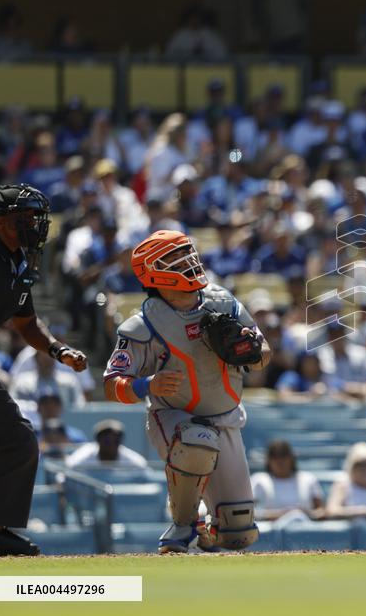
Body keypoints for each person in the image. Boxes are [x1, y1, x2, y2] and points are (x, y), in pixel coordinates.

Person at [101, 230, 272, 553]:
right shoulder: (143, 325)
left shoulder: (223, 302)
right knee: (197, 441)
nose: (188, 262)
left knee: (238, 532)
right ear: (152, 271)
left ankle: (207, 529)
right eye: (174, 258)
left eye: (187, 254)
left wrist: (252, 350)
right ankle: (183, 525)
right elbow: (112, 385)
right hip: (174, 416)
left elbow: (264, 354)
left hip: (226, 417)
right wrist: (146, 385)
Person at [0, 185, 87, 557]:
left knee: (18, 440)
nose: (34, 225)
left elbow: (26, 324)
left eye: (35, 217)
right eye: (23, 218)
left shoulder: (17, 261)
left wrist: (58, 349)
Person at [251, 440, 324, 521]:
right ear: (268, 460)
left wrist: (305, 514)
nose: (280, 461)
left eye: (284, 456)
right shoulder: (258, 480)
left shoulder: (309, 478)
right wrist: (281, 514)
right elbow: (249, 513)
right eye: (275, 457)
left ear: (292, 458)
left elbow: (321, 511)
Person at [64, 419, 148, 469]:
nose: (111, 443)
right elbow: (69, 470)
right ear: (98, 440)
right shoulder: (83, 457)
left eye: (116, 440)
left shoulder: (134, 462)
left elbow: (143, 469)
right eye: (106, 440)